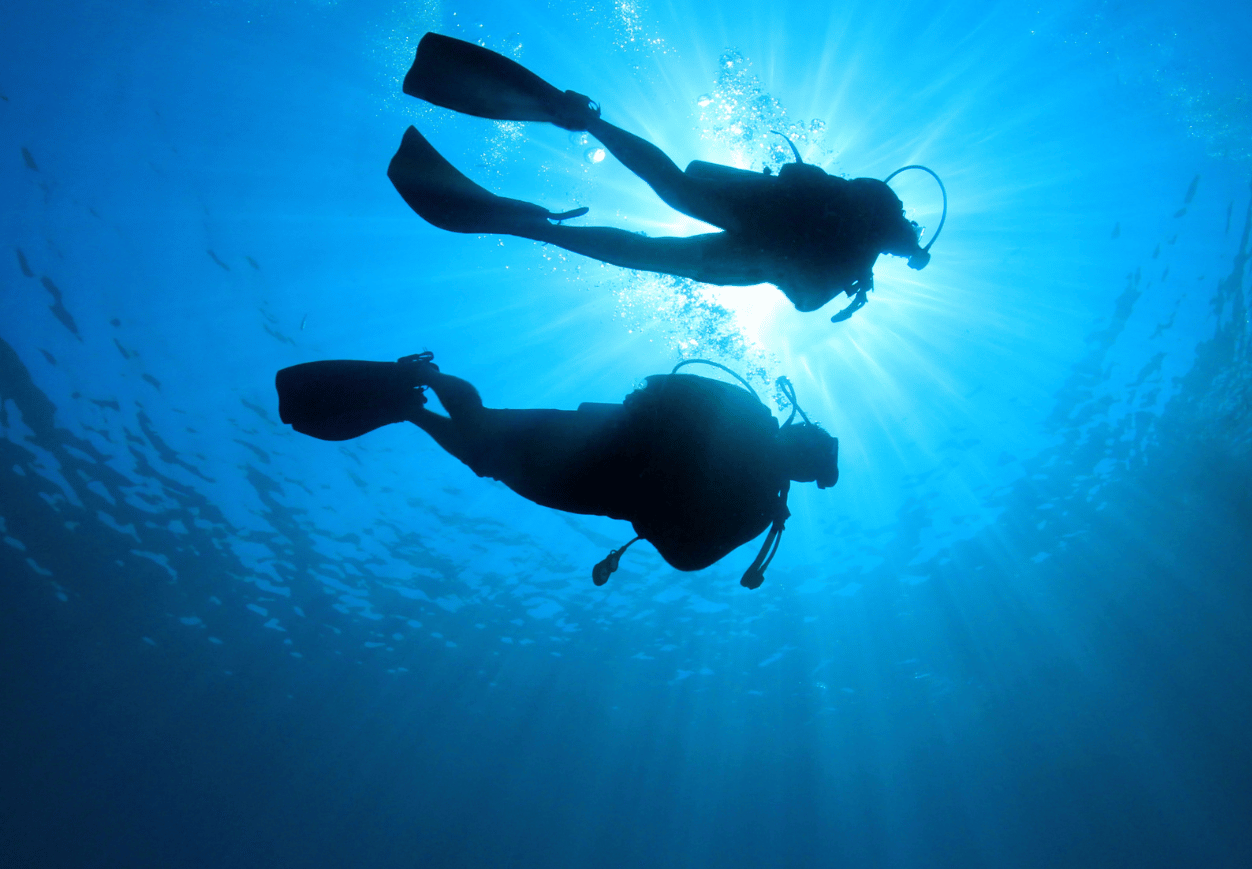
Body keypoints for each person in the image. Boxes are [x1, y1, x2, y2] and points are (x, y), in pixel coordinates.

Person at [386, 32, 946, 321]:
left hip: (757, 232)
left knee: (666, 206)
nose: (904, 246)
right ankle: (551, 206)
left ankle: (580, 132)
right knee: (657, 228)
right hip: (760, 231)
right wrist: (848, 276)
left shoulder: (865, 232)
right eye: (908, 244)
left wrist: (847, 275)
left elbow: (799, 191)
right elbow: (804, 288)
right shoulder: (868, 226)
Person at [274, 353, 838, 588]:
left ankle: (413, 404)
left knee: (484, 455)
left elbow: (687, 555)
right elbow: (658, 390)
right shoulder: (760, 493)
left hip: (590, 464)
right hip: (591, 460)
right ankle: (424, 386)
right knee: (485, 438)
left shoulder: (761, 498)